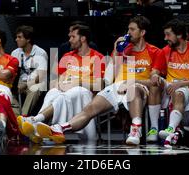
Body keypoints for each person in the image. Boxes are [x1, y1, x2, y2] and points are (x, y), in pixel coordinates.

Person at [29, 16, 161, 145]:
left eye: (132, 30)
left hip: (138, 86)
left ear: (142, 32)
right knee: (90, 109)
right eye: (128, 29)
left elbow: (155, 80)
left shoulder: (155, 51)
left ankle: (135, 130)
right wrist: (116, 51)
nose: (128, 33)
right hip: (116, 87)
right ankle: (59, 128)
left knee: (133, 89)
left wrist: (130, 82)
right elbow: (111, 72)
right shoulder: (123, 50)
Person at [18, 24, 105, 143]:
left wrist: (77, 82)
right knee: (53, 92)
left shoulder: (97, 57)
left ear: (83, 38)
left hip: (85, 94)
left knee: (71, 92)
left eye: (73, 37)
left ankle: (36, 120)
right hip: (66, 90)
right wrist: (59, 84)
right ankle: (41, 129)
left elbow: (99, 85)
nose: (69, 40)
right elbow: (55, 81)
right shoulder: (67, 56)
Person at [147, 19, 189, 143]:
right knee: (154, 83)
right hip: (169, 85)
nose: (165, 38)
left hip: (187, 87)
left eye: (168, 34)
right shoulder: (165, 51)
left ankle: (170, 129)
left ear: (179, 34)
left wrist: (180, 83)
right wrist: (154, 75)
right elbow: (155, 71)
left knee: (178, 92)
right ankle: (154, 128)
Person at [11, 25, 48, 116]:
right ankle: (17, 118)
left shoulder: (40, 53)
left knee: (36, 88)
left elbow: (41, 76)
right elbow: (13, 73)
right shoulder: (15, 53)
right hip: (20, 82)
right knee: (6, 91)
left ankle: (24, 116)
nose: (16, 39)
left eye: (20, 37)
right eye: (16, 37)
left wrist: (27, 84)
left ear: (28, 39)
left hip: (35, 82)